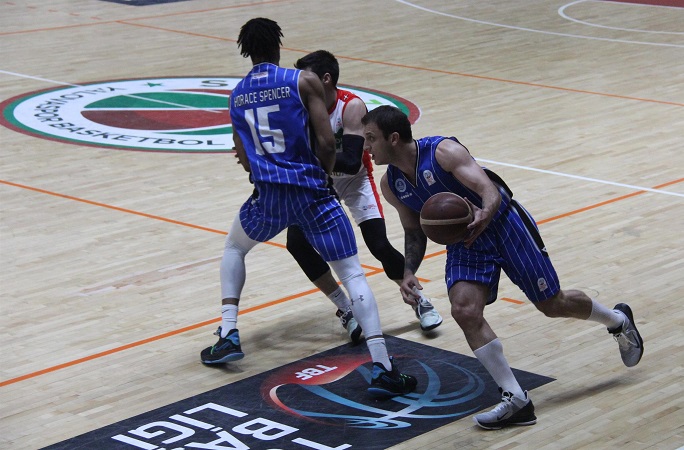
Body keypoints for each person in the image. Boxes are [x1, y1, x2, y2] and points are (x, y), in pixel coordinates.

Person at [360, 105, 644, 428]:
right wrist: (409, 271)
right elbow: (413, 230)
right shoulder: (391, 184)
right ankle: (516, 398)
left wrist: (484, 212)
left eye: (371, 138)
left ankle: (618, 321)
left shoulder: (443, 153)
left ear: (393, 138)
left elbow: (488, 190)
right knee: (464, 310)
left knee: (552, 304)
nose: (366, 147)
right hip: (467, 242)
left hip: (503, 223)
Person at [200, 18, 417, 398]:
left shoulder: (237, 95)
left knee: (235, 247)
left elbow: (243, 155)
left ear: (246, 50)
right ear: (278, 45)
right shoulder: (302, 81)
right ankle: (383, 367)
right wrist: (321, 177)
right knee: (352, 273)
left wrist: (260, 172)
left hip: (269, 196)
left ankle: (229, 332)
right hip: (312, 191)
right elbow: (327, 142)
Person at [285, 50, 442, 344]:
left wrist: (305, 160)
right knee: (296, 242)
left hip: (355, 180)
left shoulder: (351, 106)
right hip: (320, 182)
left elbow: (349, 162)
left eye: (306, 77)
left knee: (378, 244)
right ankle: (345, 309)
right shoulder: (299, 107)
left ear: (326, 79)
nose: (300, 83)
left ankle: (420, 300)